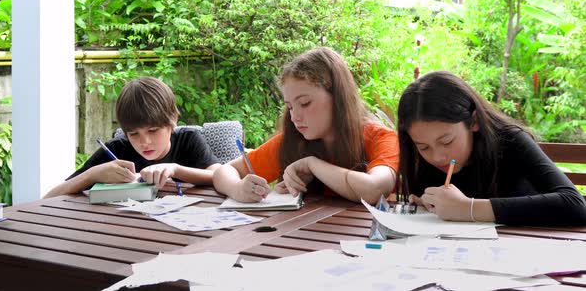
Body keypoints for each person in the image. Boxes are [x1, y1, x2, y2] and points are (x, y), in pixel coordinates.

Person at [397, 70, 586, 226]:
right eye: (423, 147)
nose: (437, 157)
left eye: (446, 142)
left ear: (474, 121)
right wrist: (431, 203)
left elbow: (575, 204)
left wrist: (468, 208)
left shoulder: (510, 141)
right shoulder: (423, 161)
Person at [214, 47, 399, 204]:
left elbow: (375, 189)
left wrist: (312, 165)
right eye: (290, 107)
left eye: (304, 103)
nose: (294, 117)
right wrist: (237, 189)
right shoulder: (294, 140)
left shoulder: (381, 138)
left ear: (337, 97)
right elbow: (224, 171)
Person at [44, 76, 220, 198]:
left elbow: (220, 175)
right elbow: (49, 198)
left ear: (172, 119)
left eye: (153, 130)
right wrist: (92, 175)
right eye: (134, 134)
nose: (145, 142)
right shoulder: (116, 150)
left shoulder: (189, 140)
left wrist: (175, 169)